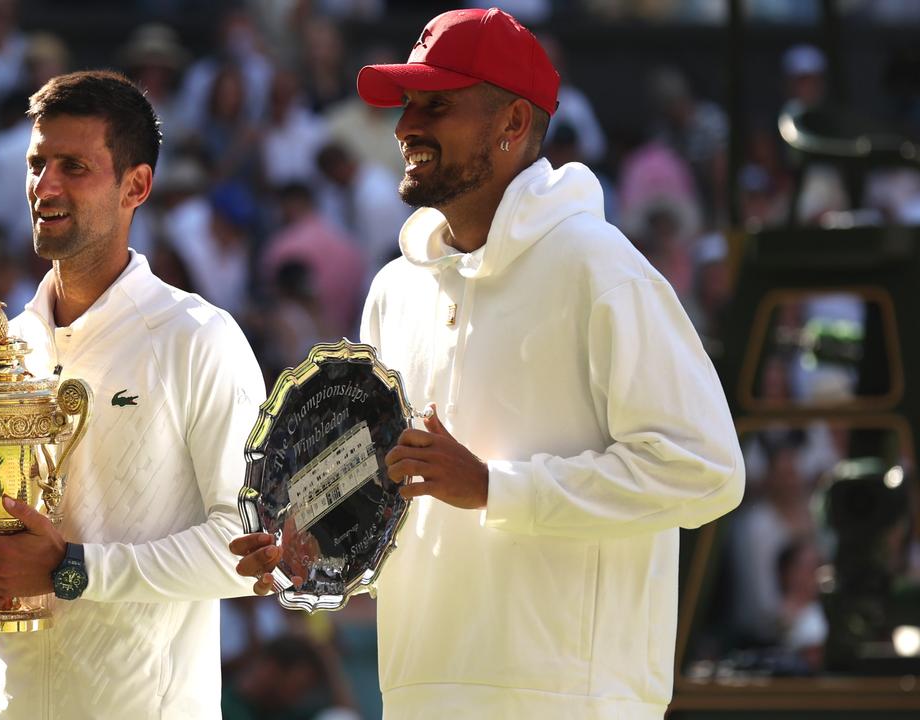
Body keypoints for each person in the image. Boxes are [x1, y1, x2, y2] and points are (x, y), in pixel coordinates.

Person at [231, 9, 745, 719]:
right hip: (420, 689)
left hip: (572, 701)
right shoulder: (395, 289)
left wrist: (495, 488)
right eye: (408, 105)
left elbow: (706, 470)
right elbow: (387, 490)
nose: (406, 126)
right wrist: (313, 542)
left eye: (435, 105)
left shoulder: (600, 269)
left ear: (511, 123)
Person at [0, 70, 265, 718]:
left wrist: (72, 570)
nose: (46, 186)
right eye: (37, 163)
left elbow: (252, 551)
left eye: (74, 166)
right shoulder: (6, 347)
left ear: (136, 186)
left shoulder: (199, 338)